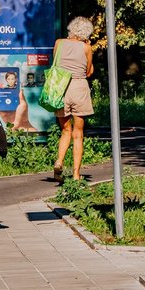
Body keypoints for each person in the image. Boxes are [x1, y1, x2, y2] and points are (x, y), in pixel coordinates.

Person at [52, 16, 95, 182]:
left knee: (65, 131)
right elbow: (89, 72)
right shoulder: (86, 47)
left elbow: (55, 64)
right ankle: (76, 174)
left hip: (60, 88)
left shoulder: (59, 43)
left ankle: (59, 161)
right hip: (78, 88)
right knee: (78, 134)